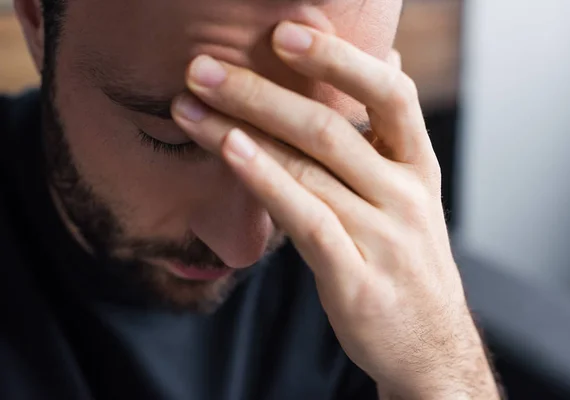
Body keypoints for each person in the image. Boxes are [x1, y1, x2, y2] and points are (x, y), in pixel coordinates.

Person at [0, 0, 500, 398]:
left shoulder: (374, 256)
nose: (243, 250)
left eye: (316, 145)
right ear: (36, 17)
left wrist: (441, 371)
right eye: (177, 139)